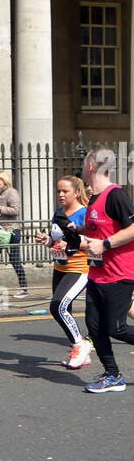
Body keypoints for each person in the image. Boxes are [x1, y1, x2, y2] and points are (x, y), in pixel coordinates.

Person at [79, 146, 134, 394]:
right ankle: (112, 375)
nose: (82, 167)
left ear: (91, 166)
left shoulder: (116, 195)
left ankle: (113, 375)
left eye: (84, 163)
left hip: (119, 274)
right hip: (97, 274)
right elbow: (95, 231)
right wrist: (72, 230)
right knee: (94, 327)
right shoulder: (94, 199)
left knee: (116, 328)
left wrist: (106, 244)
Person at [35, 176, 91, 368]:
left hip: (79, 268)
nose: (60, 194)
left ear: (76, 192)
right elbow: (56, 240)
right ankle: (80, 351)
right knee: (64, 310)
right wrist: (47, 241)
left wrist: (74, 243)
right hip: (60, 266)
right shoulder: (58, 213)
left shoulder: (85, 213)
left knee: (57, 306)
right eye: (58, 191)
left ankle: (80, 345)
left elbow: (94, 243)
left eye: (65, 191)